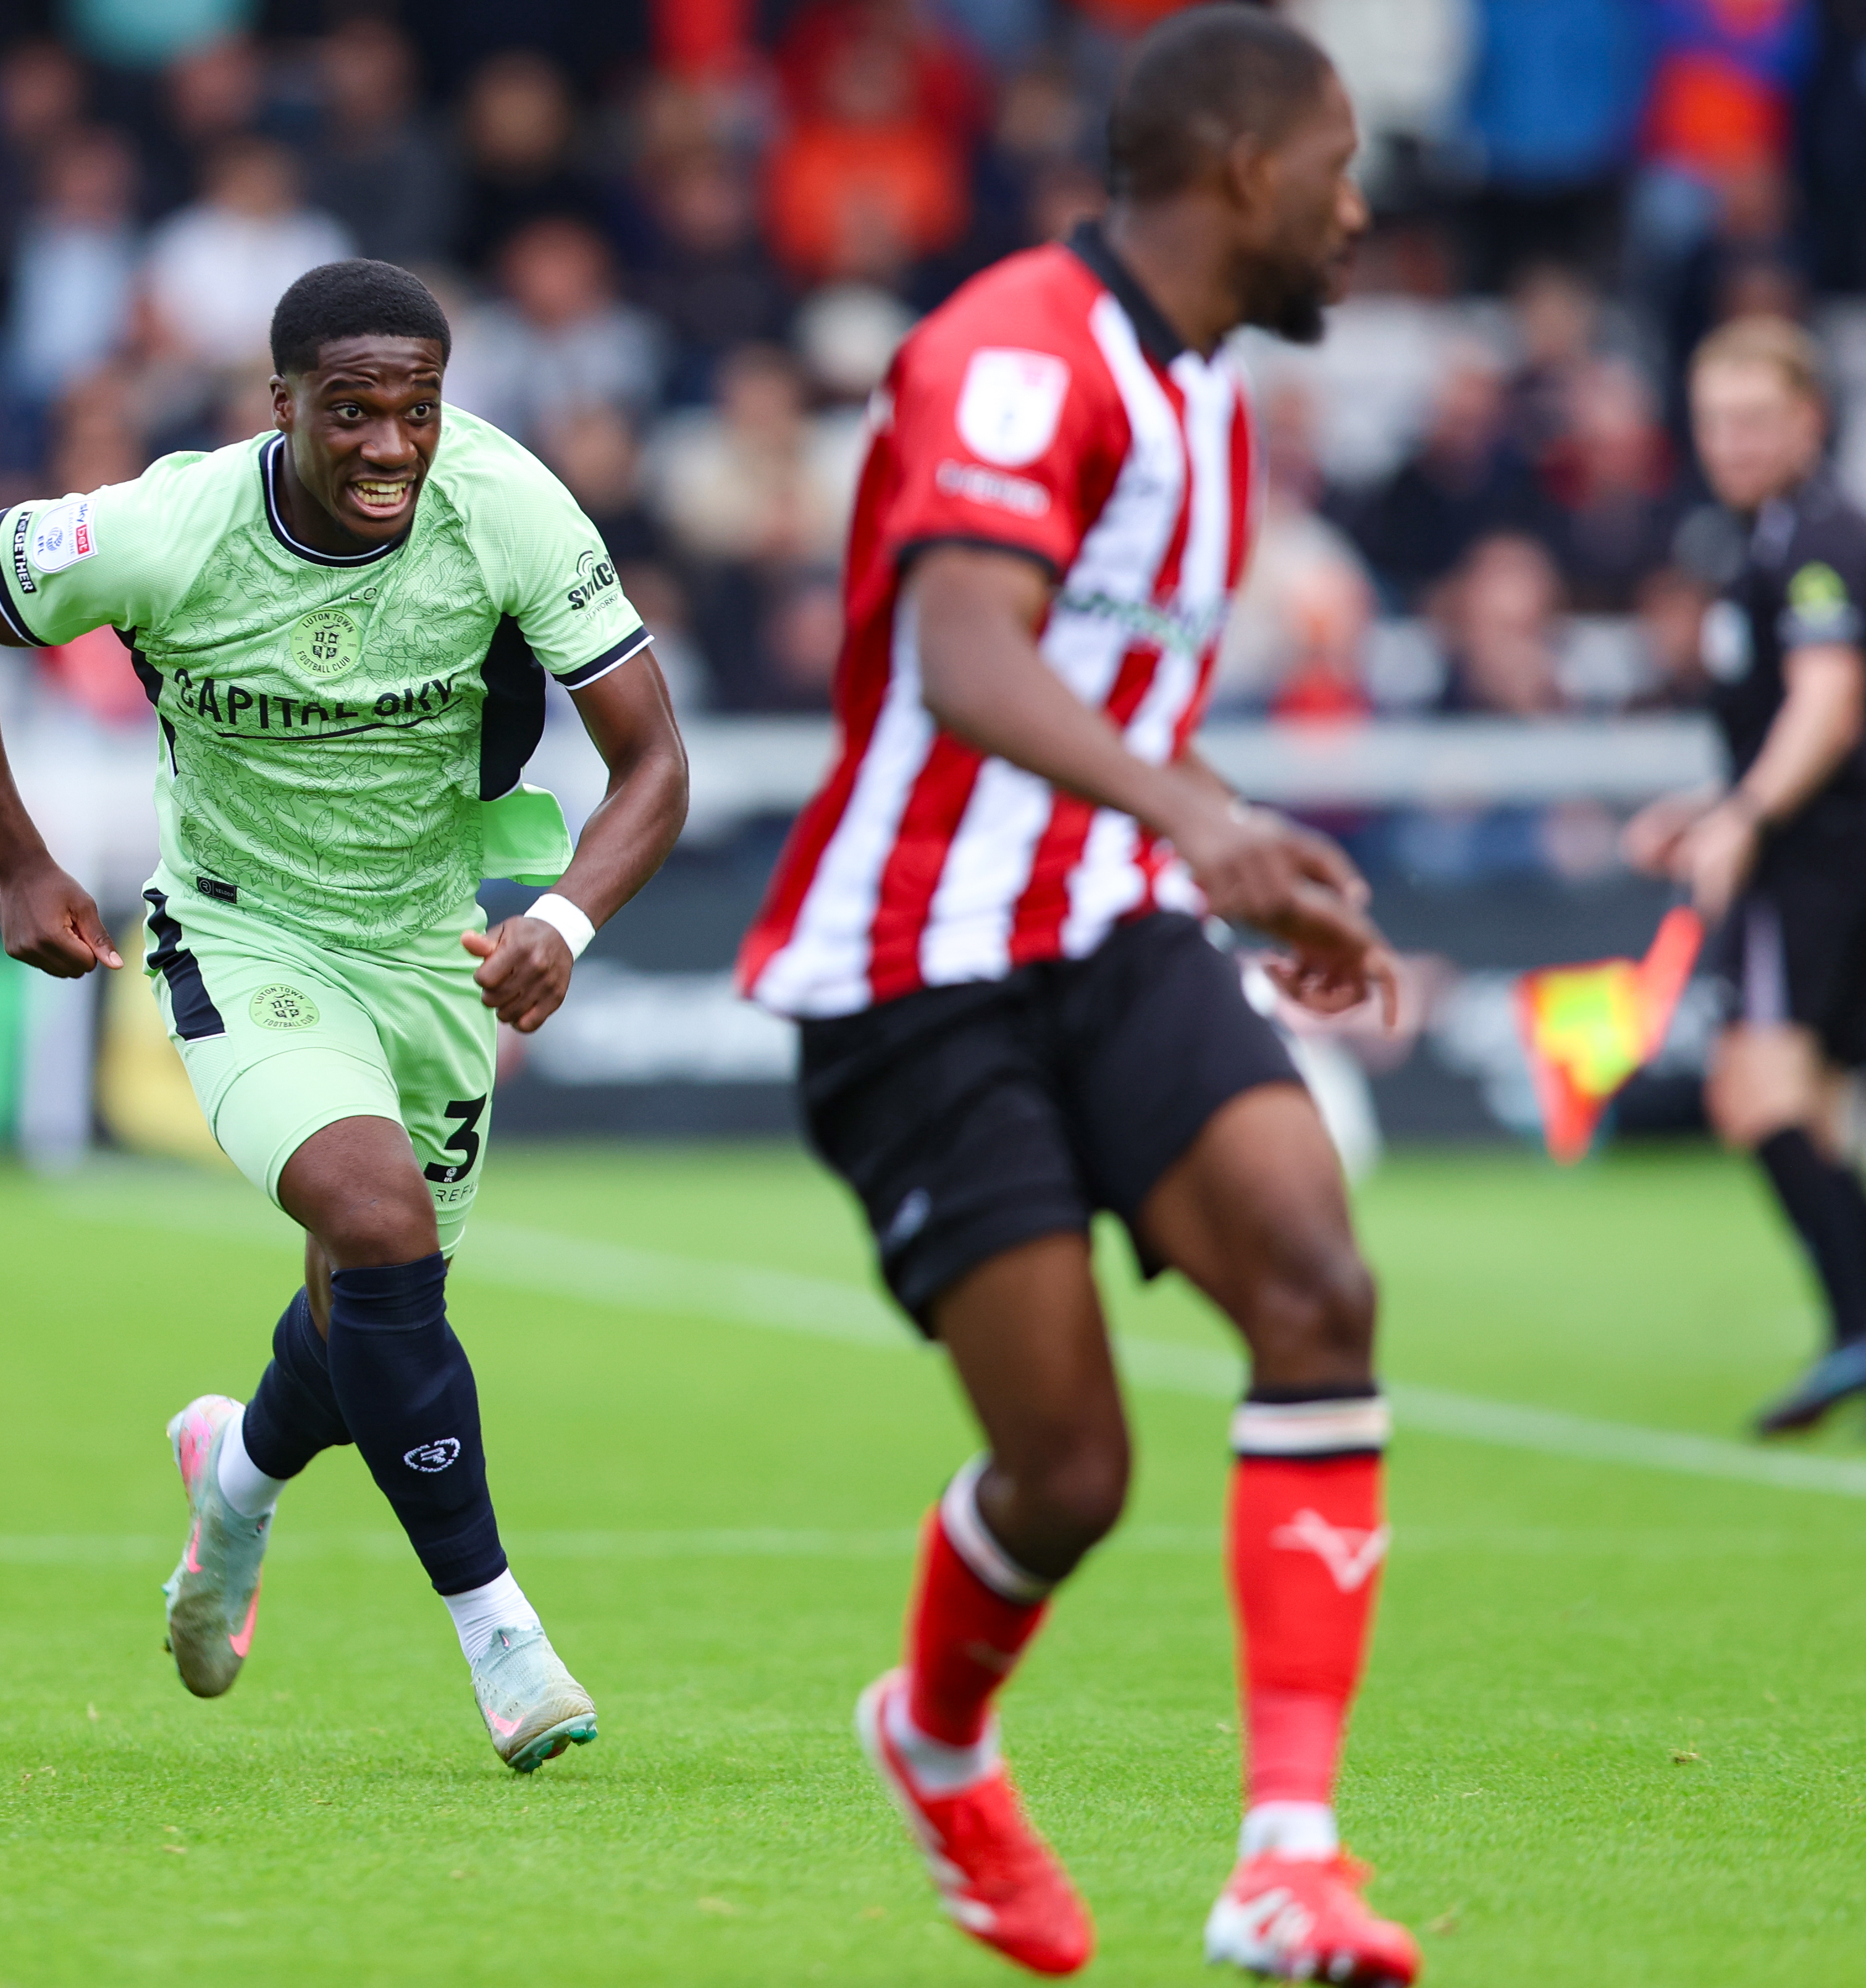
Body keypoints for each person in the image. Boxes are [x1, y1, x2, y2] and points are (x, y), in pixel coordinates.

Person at [734, 14, 1422, 1980]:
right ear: (1239, 171)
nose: (1357, 211)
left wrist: (1231, 856)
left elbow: (1107, 707)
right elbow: (964, 652)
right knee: (1072, 1474)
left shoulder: (1207, 400)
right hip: (911, 972)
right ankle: (933, 1737)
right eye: (1338, 166)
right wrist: (1203, 816)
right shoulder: (1017, 349)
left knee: (1318, 1284)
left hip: (1112, 925)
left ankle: (1288, 1856)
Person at [0, 259, 687, 1771]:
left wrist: (563, 918)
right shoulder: (163, 531)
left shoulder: (506, 504)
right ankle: (499, 1633)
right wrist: (17, 861)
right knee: (375, 1223)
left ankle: (234, 1481)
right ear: (280, 408)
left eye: (416, 410)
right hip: (243, 931)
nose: (390, 445)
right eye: (351, 412)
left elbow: (654, 764)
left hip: (438, 947)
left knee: (368, 1317)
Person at [1623, 317, 1866, 1435]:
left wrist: (1749, 816)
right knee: (1807, 1099)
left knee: (1755, 1089)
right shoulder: (1759, 539)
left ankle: (1858, 1322)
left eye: (1756, 419)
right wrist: (1713, 807)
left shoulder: (1815, 540)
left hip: (1818, 856)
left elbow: (1829, 700)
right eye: (1715, 420)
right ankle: (1852, 1324)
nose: (1732, 440)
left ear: (1810, 421)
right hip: (1813, 845)